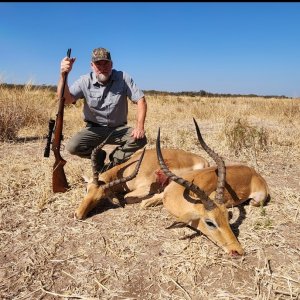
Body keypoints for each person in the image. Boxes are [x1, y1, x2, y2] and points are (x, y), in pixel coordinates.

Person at [57, 47, 147, 172]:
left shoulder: (123, 77)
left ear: (112, 64)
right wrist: (63, 76)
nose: (102, 67)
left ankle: (113, 161)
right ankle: (99, 157)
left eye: (106, 63)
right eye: (98, 64)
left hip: (118, 129)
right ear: (92, 65)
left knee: (140, 139)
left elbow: (141, 100)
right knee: (72, 146)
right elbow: (65, 100)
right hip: (94, 129)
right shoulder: (84, 81)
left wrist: (139, 127)